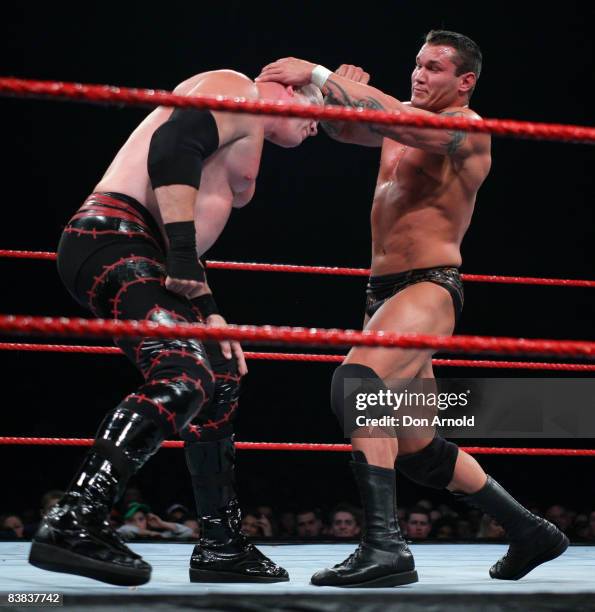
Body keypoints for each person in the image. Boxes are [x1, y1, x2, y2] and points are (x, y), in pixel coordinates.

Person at [257, 30, 568, 587]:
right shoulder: (398, 125)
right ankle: (531, 532)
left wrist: (323, 76)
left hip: (428, 288)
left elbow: (398, 121)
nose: (419, 76)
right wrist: (336, 99)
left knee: (357, 383)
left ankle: (386, 548)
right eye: (417, 65)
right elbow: (348, 127)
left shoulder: (466, 130)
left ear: (464, 82)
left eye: (434, 69)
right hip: (382, 294)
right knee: (416, 447)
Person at [28, 67, 320, 586]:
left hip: (148, 251)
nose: (321, 125)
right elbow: (172, 146)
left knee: (220, 375)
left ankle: (220, 546)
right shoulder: (237, 89)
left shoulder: (244, 131)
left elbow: (178, 212)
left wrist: (209, 311)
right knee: (184, 375)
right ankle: (76, 515)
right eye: (321, 107)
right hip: (115, 235)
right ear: (293, 89)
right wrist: (183, 256)